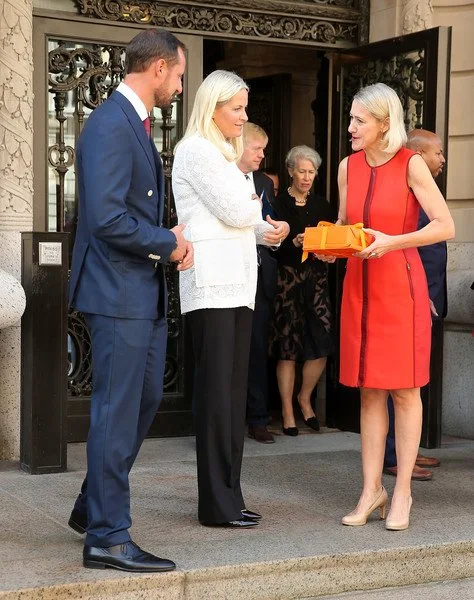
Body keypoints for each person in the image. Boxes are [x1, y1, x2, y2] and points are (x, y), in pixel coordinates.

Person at [67, 29, 193, 572]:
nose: (181, 86)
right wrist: (167, 242)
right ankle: (108, 537)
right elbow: (107, 218)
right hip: (116, 291)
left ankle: (89, 509)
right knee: (117, 414)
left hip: (137, 290)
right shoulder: (111, 123)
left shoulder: (130, 123)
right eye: (181, 75)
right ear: (159, 67)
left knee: (139, 404)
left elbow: (128, 212)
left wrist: (167, 232)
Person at [325, 83, 454, 531]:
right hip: (360, 287)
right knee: (368, 389)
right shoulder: (347, 167)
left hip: (401, 286)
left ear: (385, 123)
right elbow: (347, 225)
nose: (350, 127)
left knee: (404, 389)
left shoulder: (411, 164)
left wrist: (393, 242)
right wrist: (331, 246)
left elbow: (445, 226)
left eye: (360, 120)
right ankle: (370, 490)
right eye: (352, 119)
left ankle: (402, 493)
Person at [172, 70, 288, 528]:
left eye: (245, 107)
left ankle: (229, 497)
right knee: (219, 397)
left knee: (233, 395)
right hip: (212, 287)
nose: (244, 116)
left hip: (237, 285)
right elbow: (238, 210)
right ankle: (216, 505)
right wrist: (258, 217)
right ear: (213, 107)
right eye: (237, 108)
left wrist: (269, 231)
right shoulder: (196, 150)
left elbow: (247, 216)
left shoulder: (222, 153)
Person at [383, 129, 447, 481]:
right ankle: (393, 456)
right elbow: (414, 252)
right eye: (437, 152)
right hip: (414, 297)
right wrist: (422, 295)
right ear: (418, 155)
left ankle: (407, 448)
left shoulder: (427, 190)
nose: (442, 159)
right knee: (401, 381)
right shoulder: (410, 192)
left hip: (430, 299)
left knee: (413, 381)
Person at [269, 145, 334, 436]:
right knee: (288, 349)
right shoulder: (277, 203)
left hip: (316, 281)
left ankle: (304, 398)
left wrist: (330, 253)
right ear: (291, 170)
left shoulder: (323, 205)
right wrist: (292, 242)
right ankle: (286, 410)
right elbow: (270, 244)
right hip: (288, 280)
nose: (307, 177)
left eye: (312, 172)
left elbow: (333, 240)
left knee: (321, 343)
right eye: (302, 171)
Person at [237, 123, 290, 444]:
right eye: (257, 148)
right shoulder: (221, 176)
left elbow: (269, 222)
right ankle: (225, 420)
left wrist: (278, 234)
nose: (263, 155)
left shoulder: (263, 183)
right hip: (229, 276)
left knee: (257, 349)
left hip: (260, 277)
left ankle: (258, 418)